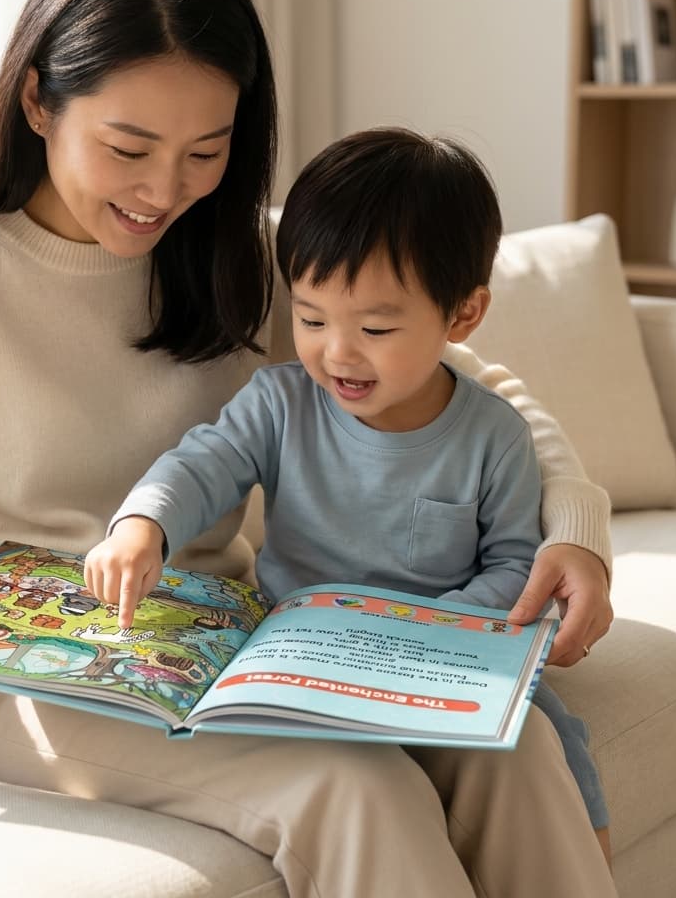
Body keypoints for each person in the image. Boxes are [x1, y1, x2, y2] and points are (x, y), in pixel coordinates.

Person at [0, 0, 616, 897]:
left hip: (229, 638)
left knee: (505, 748)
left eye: (205, 150)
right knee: (356, 789)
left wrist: (576, 537)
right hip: (11, 673)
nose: (162, 191)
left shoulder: (234, 254)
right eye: (128, 146)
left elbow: (474, 389)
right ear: (38, 100)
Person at [85, 126, 611, 863]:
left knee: (536, 738)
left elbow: (516, 572)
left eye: (376, 326)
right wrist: (143, 524)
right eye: (310, 319)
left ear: (462, 315)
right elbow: (203, 463)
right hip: (305, 667)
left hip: (438, 663)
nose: (338, 351)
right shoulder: (279, 404)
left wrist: (428, 629)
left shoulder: (494, 436)